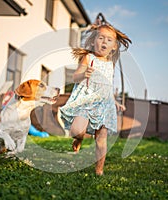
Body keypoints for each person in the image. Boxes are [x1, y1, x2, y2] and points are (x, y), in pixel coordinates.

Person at [60, 19, 132, 175]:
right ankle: (78, 139)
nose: (104, 42)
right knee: (77, 130)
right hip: (86, 100)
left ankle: (99, 170)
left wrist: (114, 101)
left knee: (101, 138)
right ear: (93, 42)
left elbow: (107, 86)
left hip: (104, 104)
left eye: (109, 40)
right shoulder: (88, 58)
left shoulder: (110, 64)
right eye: (101, 38)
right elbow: (75, 76)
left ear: (114, 47)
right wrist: (83, 74)